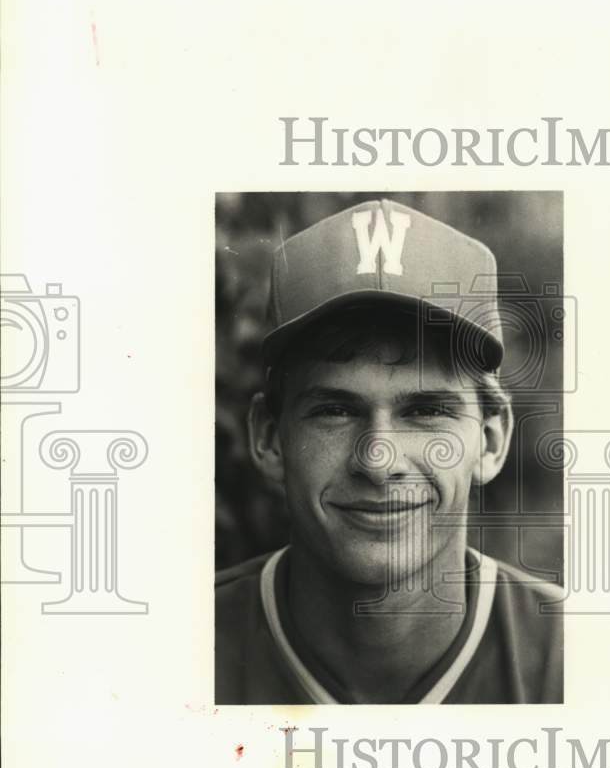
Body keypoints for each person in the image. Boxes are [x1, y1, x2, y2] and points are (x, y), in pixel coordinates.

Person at [216, 198, 563, 705]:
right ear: (269, 438)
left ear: (490, 441)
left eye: (425, 411)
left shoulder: (580, 664)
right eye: (335, 409)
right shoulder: (175, 654)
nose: (378, 461)